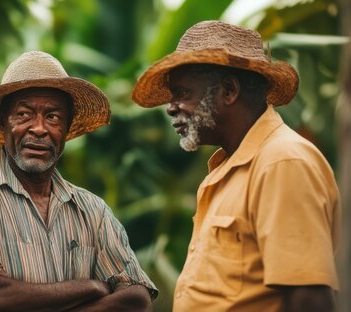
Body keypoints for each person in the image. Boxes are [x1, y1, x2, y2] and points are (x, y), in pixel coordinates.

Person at [132, 20, 340, 311]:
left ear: (228, 91)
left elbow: (308, 299)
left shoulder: (282, 163)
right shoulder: (226, 169)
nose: (170, 106)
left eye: (182, 93)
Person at [0, 51, 157, 312]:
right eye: (24, 114)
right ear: (3, 122)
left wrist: (17, 295)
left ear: (67, 129)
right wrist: (90, 287)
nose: (39, 128)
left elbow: (137, 299)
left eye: (52, 117)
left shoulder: (92, 210)